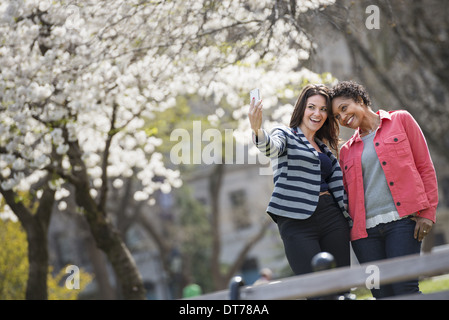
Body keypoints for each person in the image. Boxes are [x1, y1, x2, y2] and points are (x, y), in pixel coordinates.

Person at [330, 81, 438, 298]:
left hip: (403, 225)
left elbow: (424, 166)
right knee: (380, 294)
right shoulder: (346, 151)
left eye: (344, 108)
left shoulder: (401, 120)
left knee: (405, 289)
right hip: (363, 238)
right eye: (336, 116)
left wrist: (428, 213)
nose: (342, 118)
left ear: (359, 100)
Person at [248, 84, 352, 276]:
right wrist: (257, 130)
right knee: (314, 287)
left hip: (331, 216)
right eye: (311, 107)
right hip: (297, 221)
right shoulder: (285, 134)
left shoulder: (324, 147)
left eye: (323, 109)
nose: (317, 113)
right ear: (301, 109)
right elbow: (271, 148)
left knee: (342, 282)